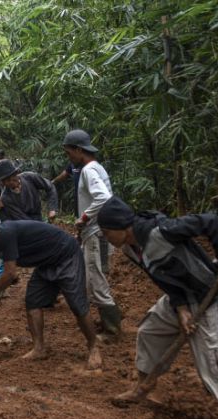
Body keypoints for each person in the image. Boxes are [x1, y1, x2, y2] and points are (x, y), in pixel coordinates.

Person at [97, 196, 218, 411]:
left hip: (207, 296)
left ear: (122, 227)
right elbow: (162, 278)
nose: (105, 237)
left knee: (211, 360)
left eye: (106, 232)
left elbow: (211, 221)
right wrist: (180, 307)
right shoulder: (130, 249)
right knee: (149, 331)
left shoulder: (162, 231)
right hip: (180, 298)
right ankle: (143, 386)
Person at [0, 212, 102, 369]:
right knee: (33, 302)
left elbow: (10, 273)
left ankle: (93, 347)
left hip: (66, 255)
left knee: (76, 304)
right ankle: (39, 349)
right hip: (46, 263)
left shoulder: (6, 233)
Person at [63, 129, 122, 340]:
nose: (69, 158)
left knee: (96, 281)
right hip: (95, 232)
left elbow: (103, 198)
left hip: (95, 231)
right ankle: (108, 321)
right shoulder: (95, 168)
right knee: (91, 279)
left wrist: (84, 218)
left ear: (79, 150)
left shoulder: (88, 170)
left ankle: (113, 329)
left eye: (69, 153)